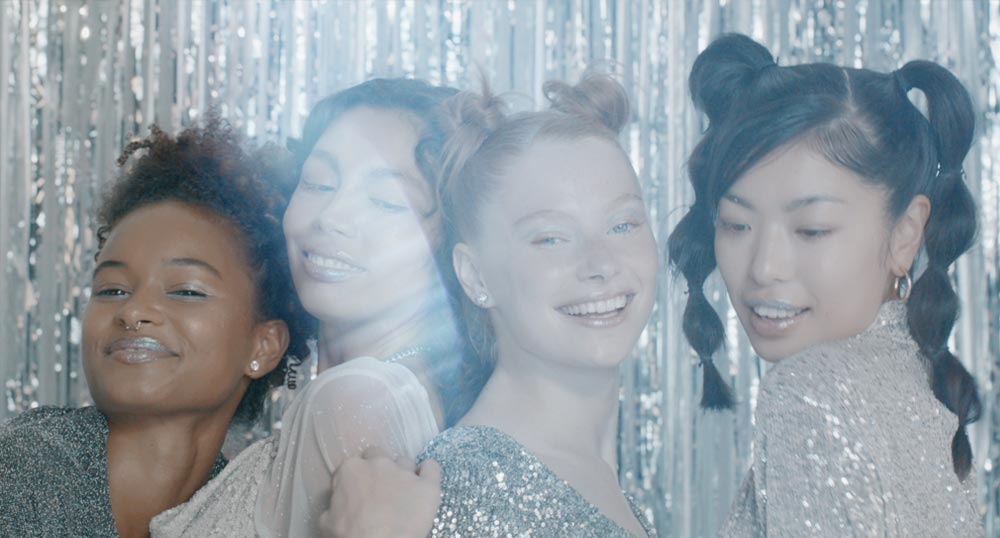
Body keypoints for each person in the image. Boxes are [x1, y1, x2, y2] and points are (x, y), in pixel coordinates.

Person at [667, 33, 984, 537]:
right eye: (736, 224)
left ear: (906, 234)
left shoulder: (810, 391)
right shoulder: (918, 379)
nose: (764, 267)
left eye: (811, 230)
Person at [150, 78, 470, 537]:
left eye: (386, 201)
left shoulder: (353, 400)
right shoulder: (393, 389)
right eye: (318, 182)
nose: (332, 216)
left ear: (448, 242)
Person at [0, 119, 311, 537]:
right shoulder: (21, 472)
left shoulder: (251, 514)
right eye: (112, 290)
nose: (132, 311)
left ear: (264, 345)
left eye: (185, 291)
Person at [416, 72, 659, 537]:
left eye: (623, 225)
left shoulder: (586, 469)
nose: (600, 263)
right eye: (551, 238)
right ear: (476, 275)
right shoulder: (475, 488)